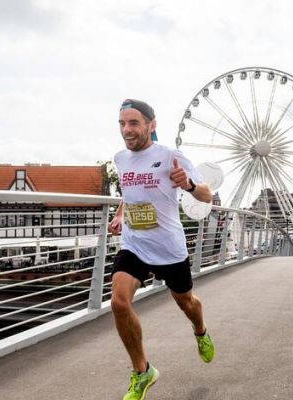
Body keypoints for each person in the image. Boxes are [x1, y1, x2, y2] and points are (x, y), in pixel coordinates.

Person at [109, 99, 215, 400]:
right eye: (122, 124)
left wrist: (191, 185)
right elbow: (131, 193)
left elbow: (207, 195)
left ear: (151, 125)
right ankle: (142, 372)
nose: (127, 130)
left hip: (168, 247)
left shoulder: (170, 156)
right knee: (118, 303)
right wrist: (119, 214)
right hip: (135, 245)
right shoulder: (120, 159)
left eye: (133, 123)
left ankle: (201, 331)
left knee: (187, 303)